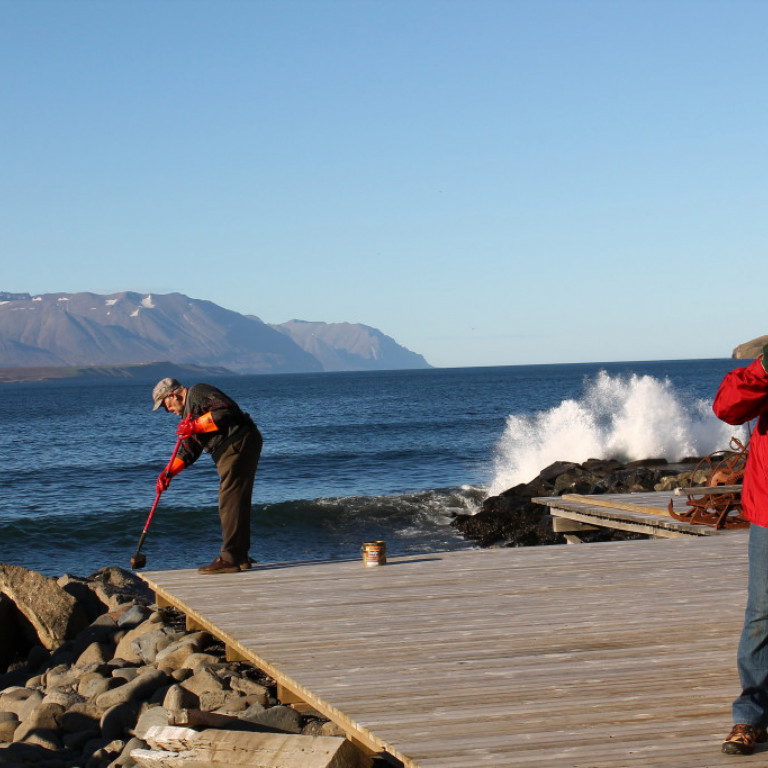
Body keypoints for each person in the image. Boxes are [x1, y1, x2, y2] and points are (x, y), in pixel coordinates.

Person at [714, 346, 768, 754]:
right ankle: (750, 718)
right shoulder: (762, 372)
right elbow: (728, 407)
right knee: (762, 615)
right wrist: (764, 368)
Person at [151, 377, 263, 575]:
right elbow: (189, 450)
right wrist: (169, 473)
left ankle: (230, 558)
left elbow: (225, 411)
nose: (167, 410)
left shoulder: (198, 393)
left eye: (165, 405)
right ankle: (239, 556)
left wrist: (195, 426)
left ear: (172, 395)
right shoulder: (187, 414)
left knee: (229, 501)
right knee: (236, 500)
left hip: (236, 443)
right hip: (236, 446)